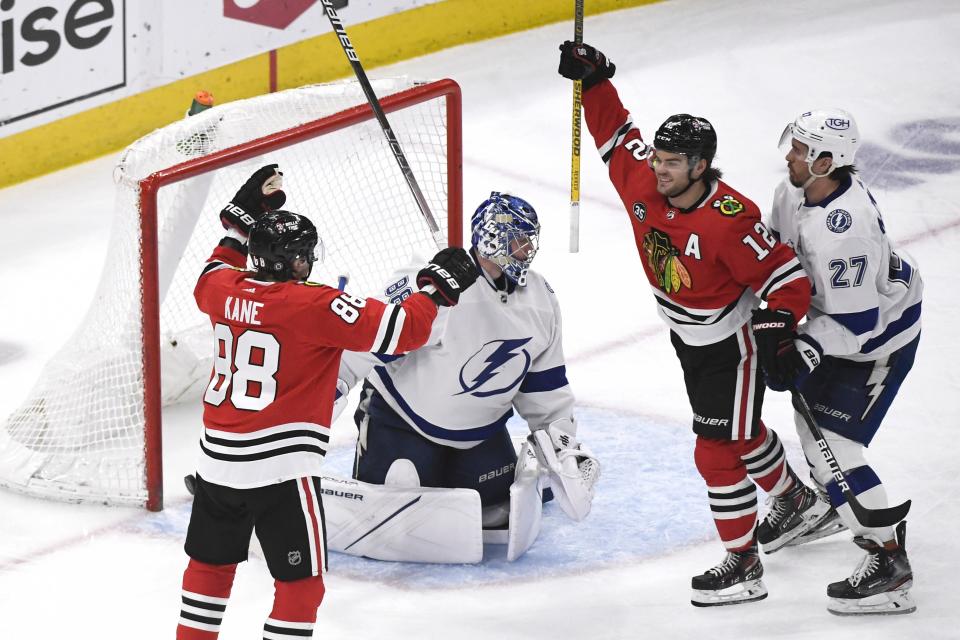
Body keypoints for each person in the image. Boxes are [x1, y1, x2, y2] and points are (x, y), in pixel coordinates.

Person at [557, 42, 829, 607]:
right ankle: (797, 503)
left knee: (714, 450)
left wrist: (779, 326)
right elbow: (615, 134)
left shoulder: (731, 220)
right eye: (657, 158)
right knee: (740, 432)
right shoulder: (642, 181)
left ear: (701, 167)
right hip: (688, 337)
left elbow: (786, 278)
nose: (658, 168)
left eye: (672, 163)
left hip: (733, 344)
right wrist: (597, 79)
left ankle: (743, 563)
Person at [176, 164, 478, 639]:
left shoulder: (220, 289)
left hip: (215, 464)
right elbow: (404, 330)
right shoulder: (313, 306)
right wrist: (436, 288)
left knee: (210, 572)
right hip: (280, 471)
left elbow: (215, 268)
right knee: (301, 587)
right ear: (296, 261)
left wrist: (236, 227)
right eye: (304, 256)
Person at [326, 191, 599, 564]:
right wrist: (332, 385)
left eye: (529, 240)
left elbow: (544, 384)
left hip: (479, 432)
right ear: (493, 239)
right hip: (402, 423)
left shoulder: (540, 298)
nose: (528, 249)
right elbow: (373, 338)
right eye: (519, 240)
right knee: (401, 498)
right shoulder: (434, 283)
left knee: (498, 511)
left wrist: (562, 445)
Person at [756, 108, 922, 616]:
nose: (790, 155)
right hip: (837, 323)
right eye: (794, 143)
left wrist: (803, 345)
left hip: (878, 341)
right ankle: (825, 508)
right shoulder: (796, 189)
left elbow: (858, 322)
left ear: (828, 161)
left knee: (835, 445)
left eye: (802, 150)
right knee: (812, 434)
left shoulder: (845, 232)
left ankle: (889, 561)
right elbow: (774, 254)